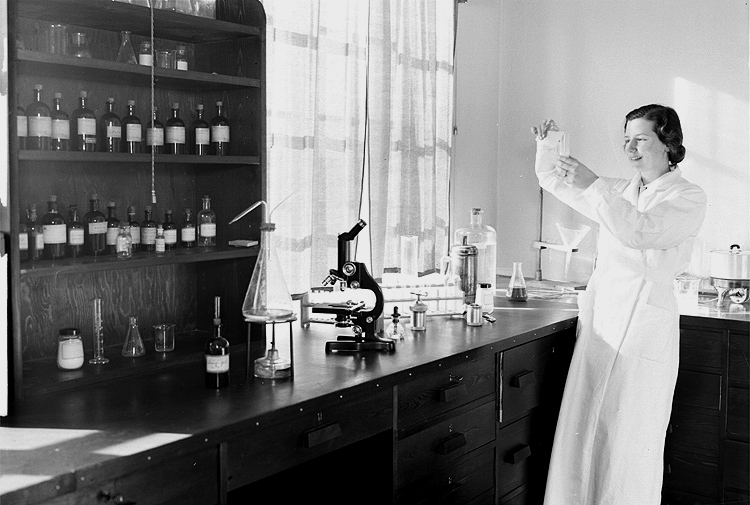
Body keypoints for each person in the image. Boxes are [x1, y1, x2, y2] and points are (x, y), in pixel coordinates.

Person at [531, 104, 707, 505]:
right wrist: (549, 146)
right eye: (626, 139)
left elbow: (640, 232)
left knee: (626, 437)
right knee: (582, 428)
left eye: (640, 139)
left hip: (645, 328)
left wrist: (595, 185)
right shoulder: (619, 191)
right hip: (603, 323)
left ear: (668, 143)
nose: (629, 149)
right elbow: (554, 180)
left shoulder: (688, 196)